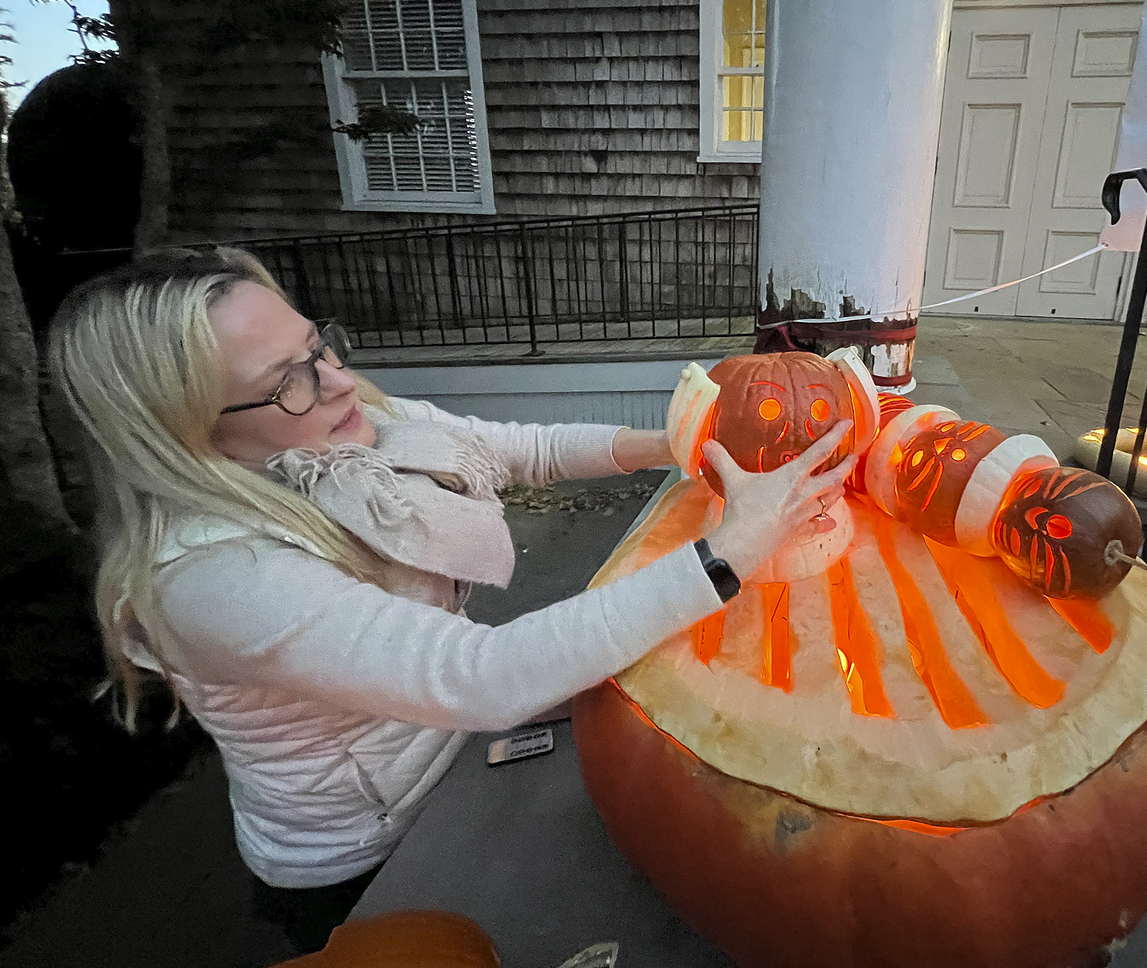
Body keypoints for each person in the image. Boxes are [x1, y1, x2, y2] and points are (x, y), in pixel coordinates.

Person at [48, 247, 854, 953]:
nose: (335, 380)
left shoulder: (351, 422)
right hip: (372, 854)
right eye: (286, 380)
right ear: (185, 430)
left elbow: (522, 449)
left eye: (316, 343)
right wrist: (729, 553)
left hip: (462, 751)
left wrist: (688, 445)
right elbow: (481, 676)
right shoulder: (210, 578)